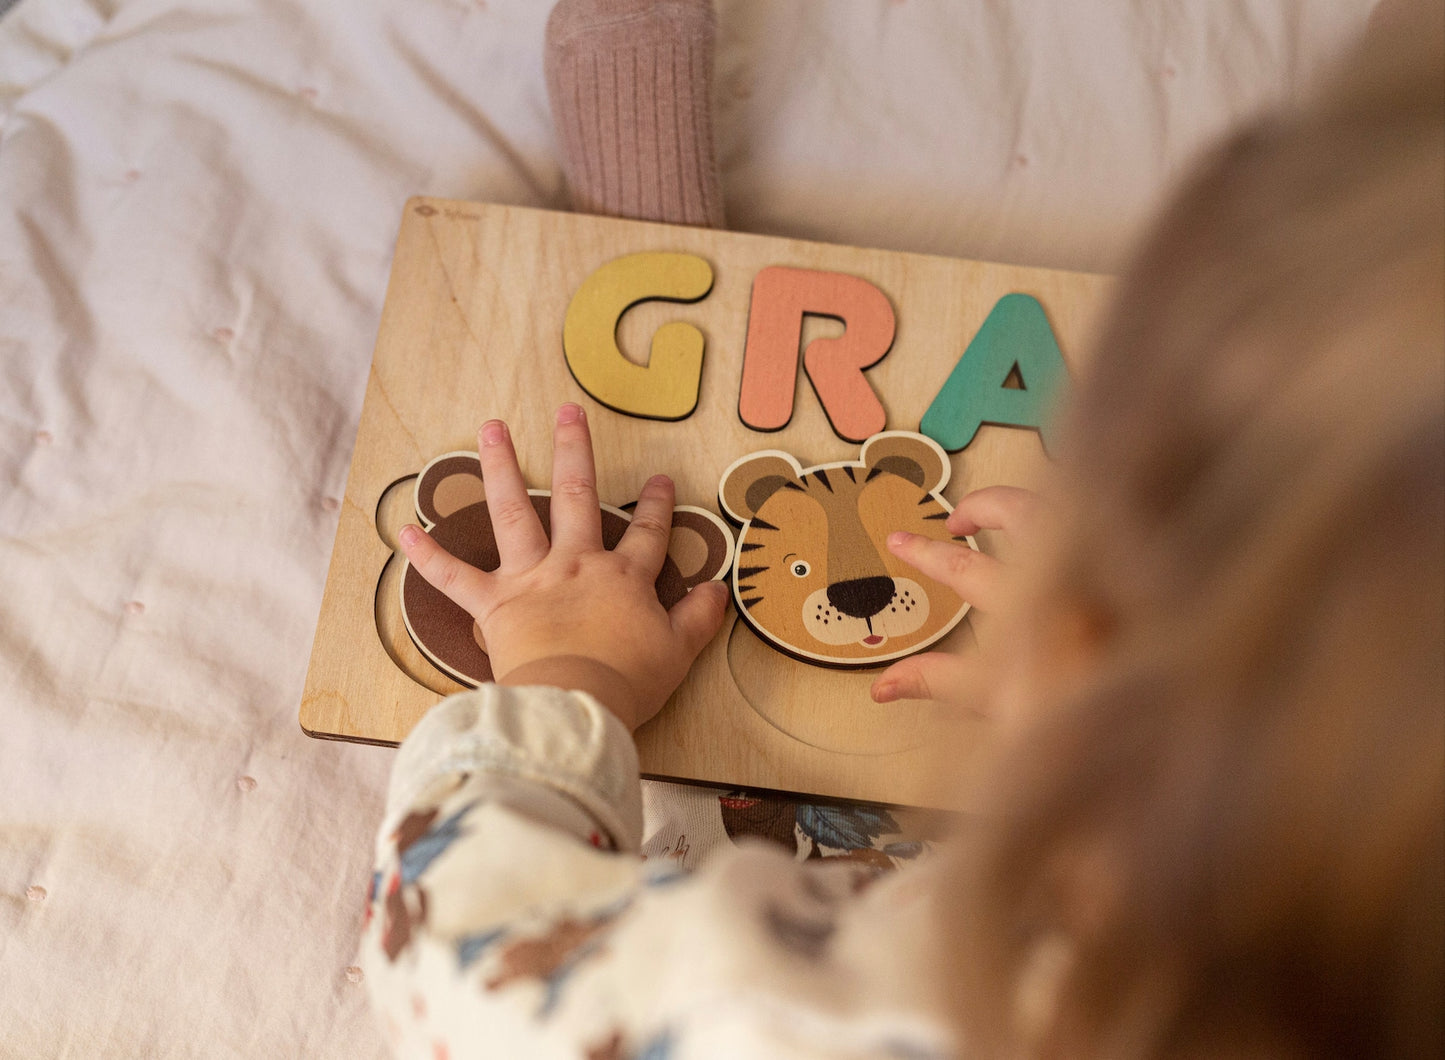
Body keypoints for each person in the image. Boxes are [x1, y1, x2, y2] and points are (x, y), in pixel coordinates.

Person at [358, 1, 1443, 1055]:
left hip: (804, 896)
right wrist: (1101, 748)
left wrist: (569, 667)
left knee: (682, 595)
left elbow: (456, 946)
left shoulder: (797, 1022)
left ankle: (657, 265)